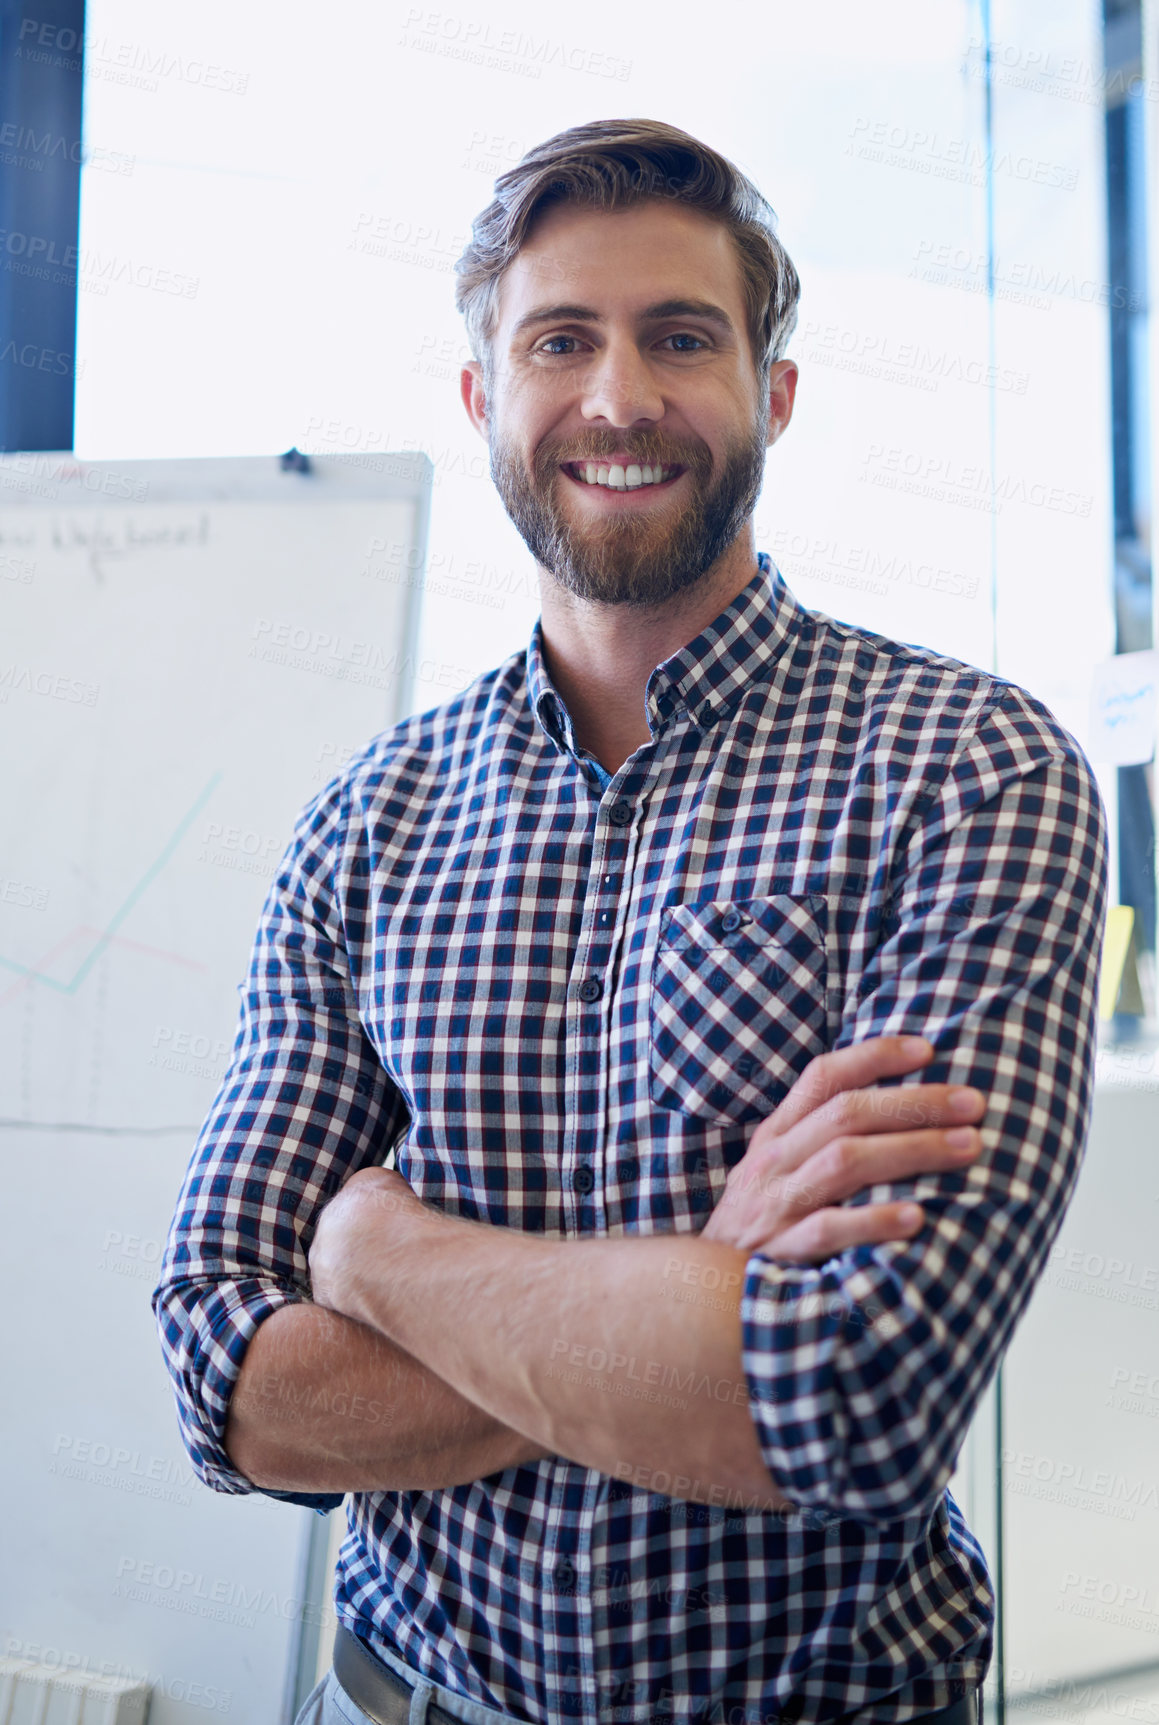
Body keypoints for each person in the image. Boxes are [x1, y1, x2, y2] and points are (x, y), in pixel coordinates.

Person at [153, 119, 1108, 1725]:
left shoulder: (970, 769)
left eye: (681, 337)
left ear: (772, 394)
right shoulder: (366, 827)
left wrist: (372, 1246)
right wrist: (693, 1293)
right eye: (558, 342)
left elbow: (853, 1399)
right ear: (484, 401)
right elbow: (229, 1384)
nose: (616, 398)